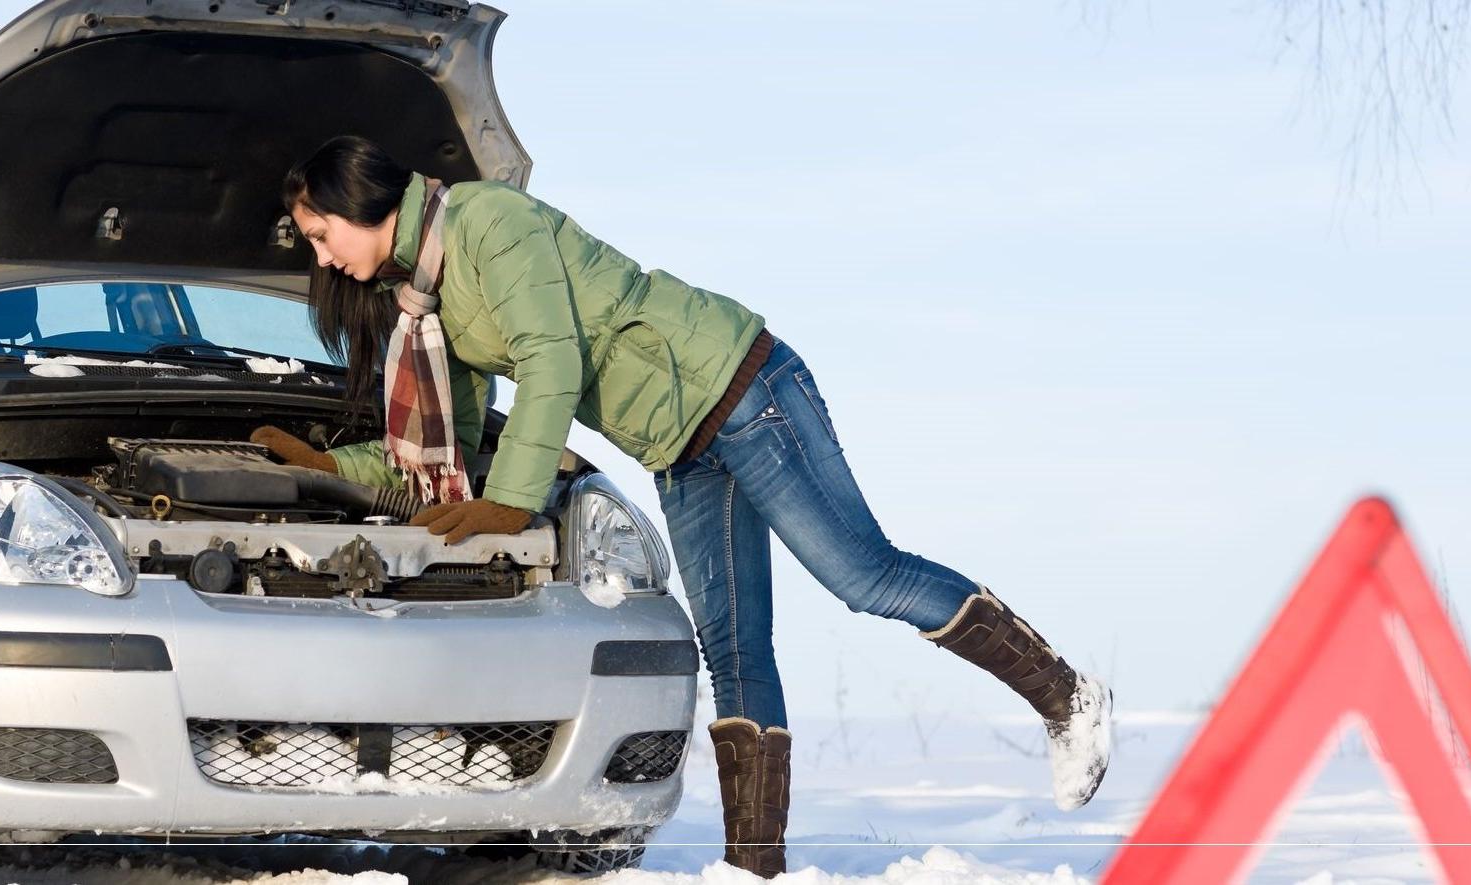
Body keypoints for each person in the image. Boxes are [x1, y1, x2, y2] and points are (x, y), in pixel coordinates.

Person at [249, 136, 1111, 877]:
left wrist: (513, 505)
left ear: (357, 202)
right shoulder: (430, 301)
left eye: (321, 235)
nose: (322, 256)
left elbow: (552, 360)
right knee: (733, 648)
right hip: (683, 444)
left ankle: (1066, 696)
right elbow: (457, 440)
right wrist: (331, 464)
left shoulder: (487, 224)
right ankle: (755, 868)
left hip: (742, 388)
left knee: (862, 572)